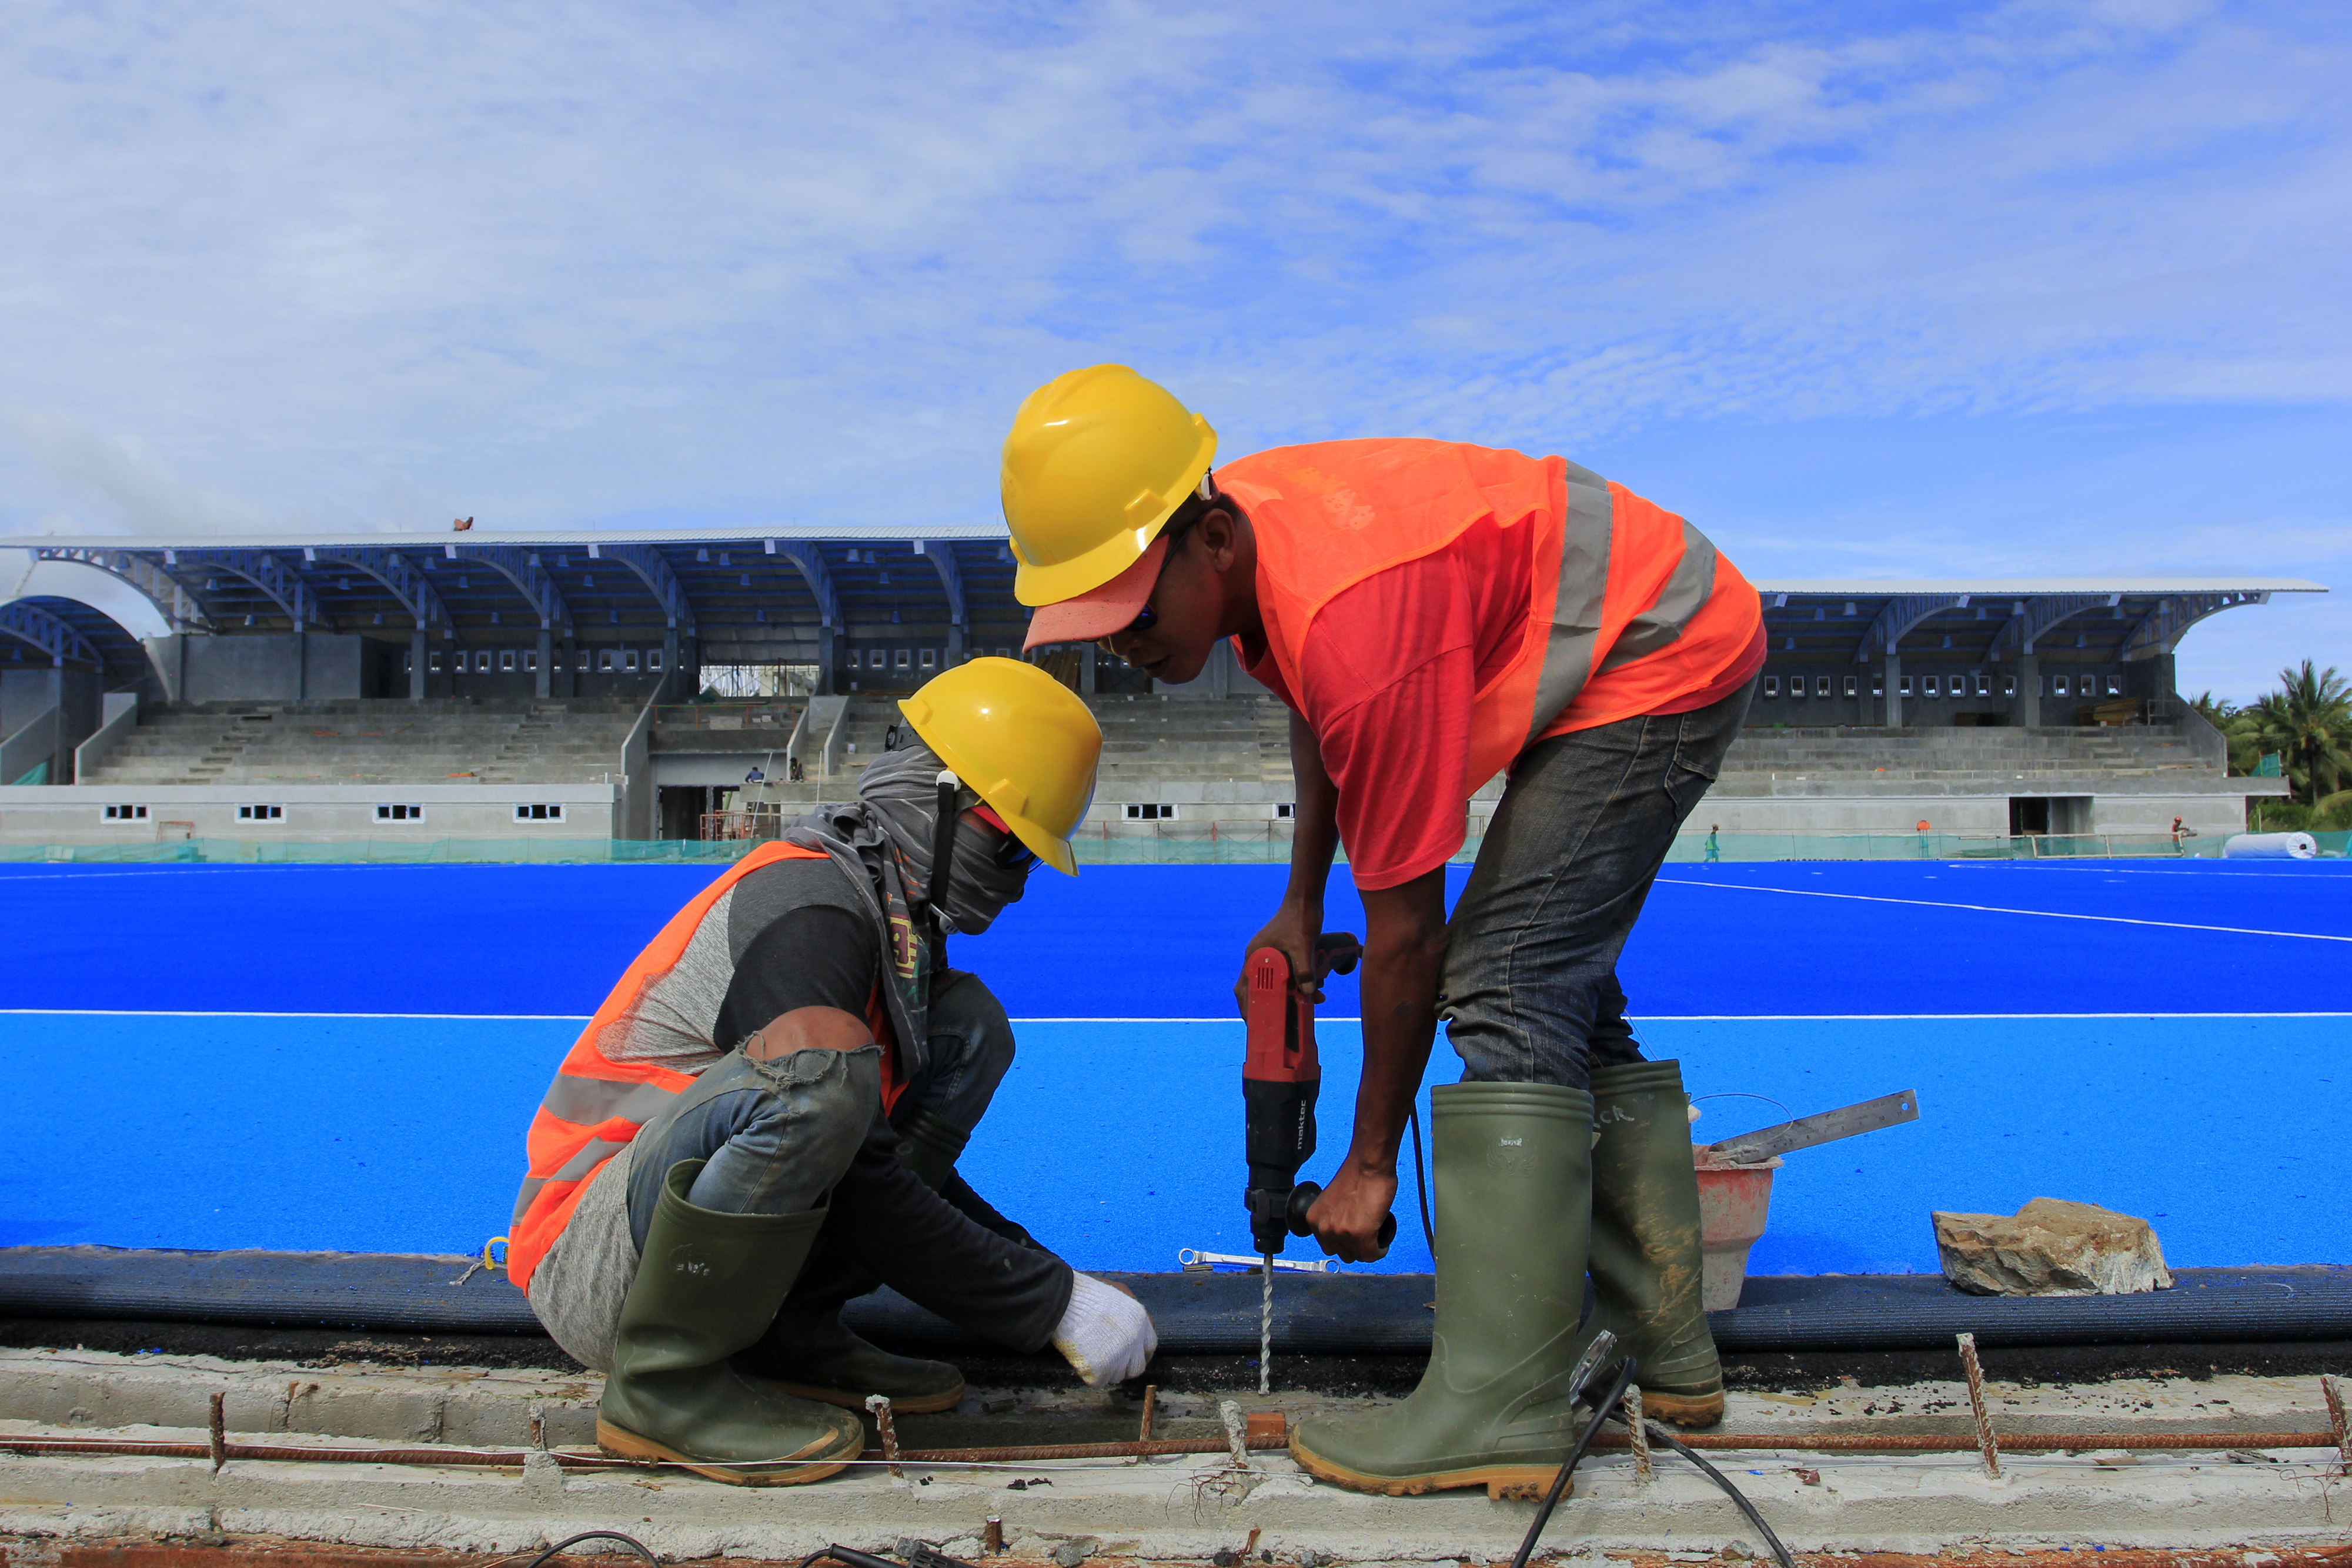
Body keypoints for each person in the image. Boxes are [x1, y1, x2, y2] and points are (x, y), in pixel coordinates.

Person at [998, 366, 1763, 1497]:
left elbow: (1409, 941)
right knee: (1558, 974)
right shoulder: (1252, 542)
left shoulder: (1360, 623)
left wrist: (1365, 1167)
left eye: (1130, 612)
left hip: (1663, 647)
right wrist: (1301, 901)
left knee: (1505, 974)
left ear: (1208, 541)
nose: (1118, 644)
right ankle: (1667, 1346)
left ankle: (1502, 1407)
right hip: (1620, 626)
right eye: (1092, 624)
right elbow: (1318, 708)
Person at [505, 658, 1154, 1486]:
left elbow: (875, 1163)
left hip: (663, 1229)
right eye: (1009, 848)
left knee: (967, 1030)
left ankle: (791, 1330)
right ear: (940, 802)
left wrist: (1052, 1286)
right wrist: (1046, 1301)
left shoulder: (889, 922)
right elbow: (858, 1179)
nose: (1017, 887)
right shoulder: (809, 912)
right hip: (593, 1261)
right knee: (820, 1069)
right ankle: (663, 1386)